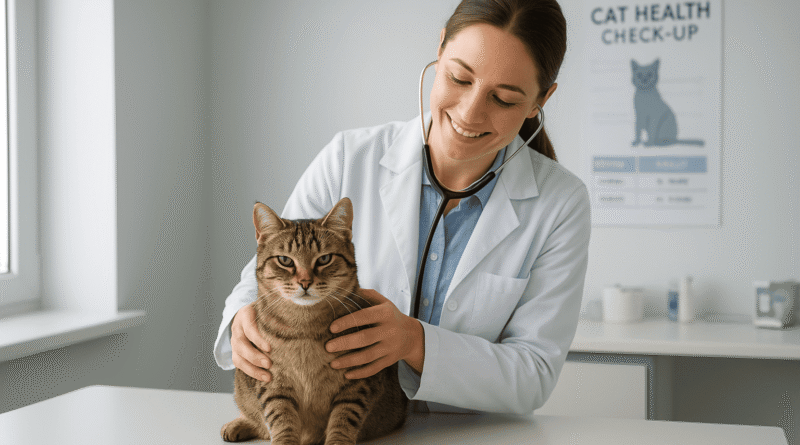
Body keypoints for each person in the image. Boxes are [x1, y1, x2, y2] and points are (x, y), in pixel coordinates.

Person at [214, 0, 590, 415]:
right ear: (440, 48)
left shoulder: (560, 204)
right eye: (459, 77)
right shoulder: (347, 158)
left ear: (541, 100)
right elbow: (265, 270)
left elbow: (533, 374)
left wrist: (414, 342)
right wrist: (241, 321)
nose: (470, 112)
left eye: (503, 99)